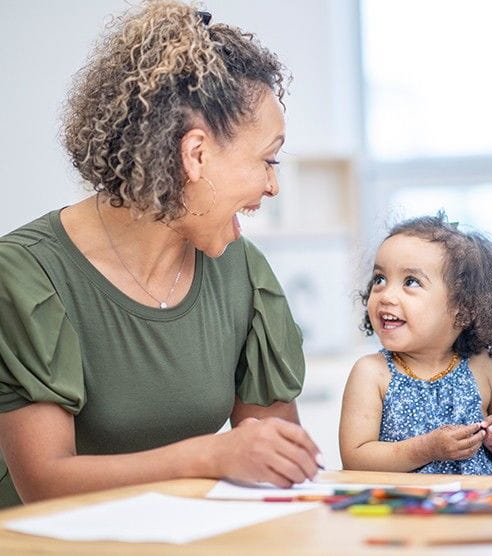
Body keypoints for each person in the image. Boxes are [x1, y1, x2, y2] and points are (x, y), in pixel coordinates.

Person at [0, 1, 322, 508]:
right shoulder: (26, 274)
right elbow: (43, 481)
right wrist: (208, 456)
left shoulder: (243, 271)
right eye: (268, 160)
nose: (273, 185)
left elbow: (280, 463)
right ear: (195, 155)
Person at [339, 213, 492, 474]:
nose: (386, 295)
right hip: (405, 510)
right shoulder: (372, 372)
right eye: (379, 279)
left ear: (463, 308)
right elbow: (355, 458)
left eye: (411, 282)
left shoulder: (481, 366)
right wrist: (427, 449)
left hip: (482, 507)